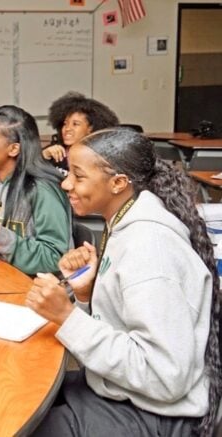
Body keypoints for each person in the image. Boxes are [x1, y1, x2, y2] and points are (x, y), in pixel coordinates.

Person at [26, 128, 221, 436]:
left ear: (117, 183)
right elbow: (124, 324)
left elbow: (164, 376)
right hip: (129, 392)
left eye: (78, 176)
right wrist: (86, 295)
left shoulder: (149, 247)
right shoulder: (124, 221)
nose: (66, 184)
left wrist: (68, 317)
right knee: (29, 390)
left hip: (157, 413)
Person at [0, 105, 70, 276]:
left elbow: (55, 258)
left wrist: (0, 237)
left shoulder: (42, 190)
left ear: (14, 149)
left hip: (32, 288)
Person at [42, 91, 119, 173]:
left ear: (91, 128)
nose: (67, 128)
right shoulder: (54, 151)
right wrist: (43, 156)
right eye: (65, 124)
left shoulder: (99, 158)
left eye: (75, 124)